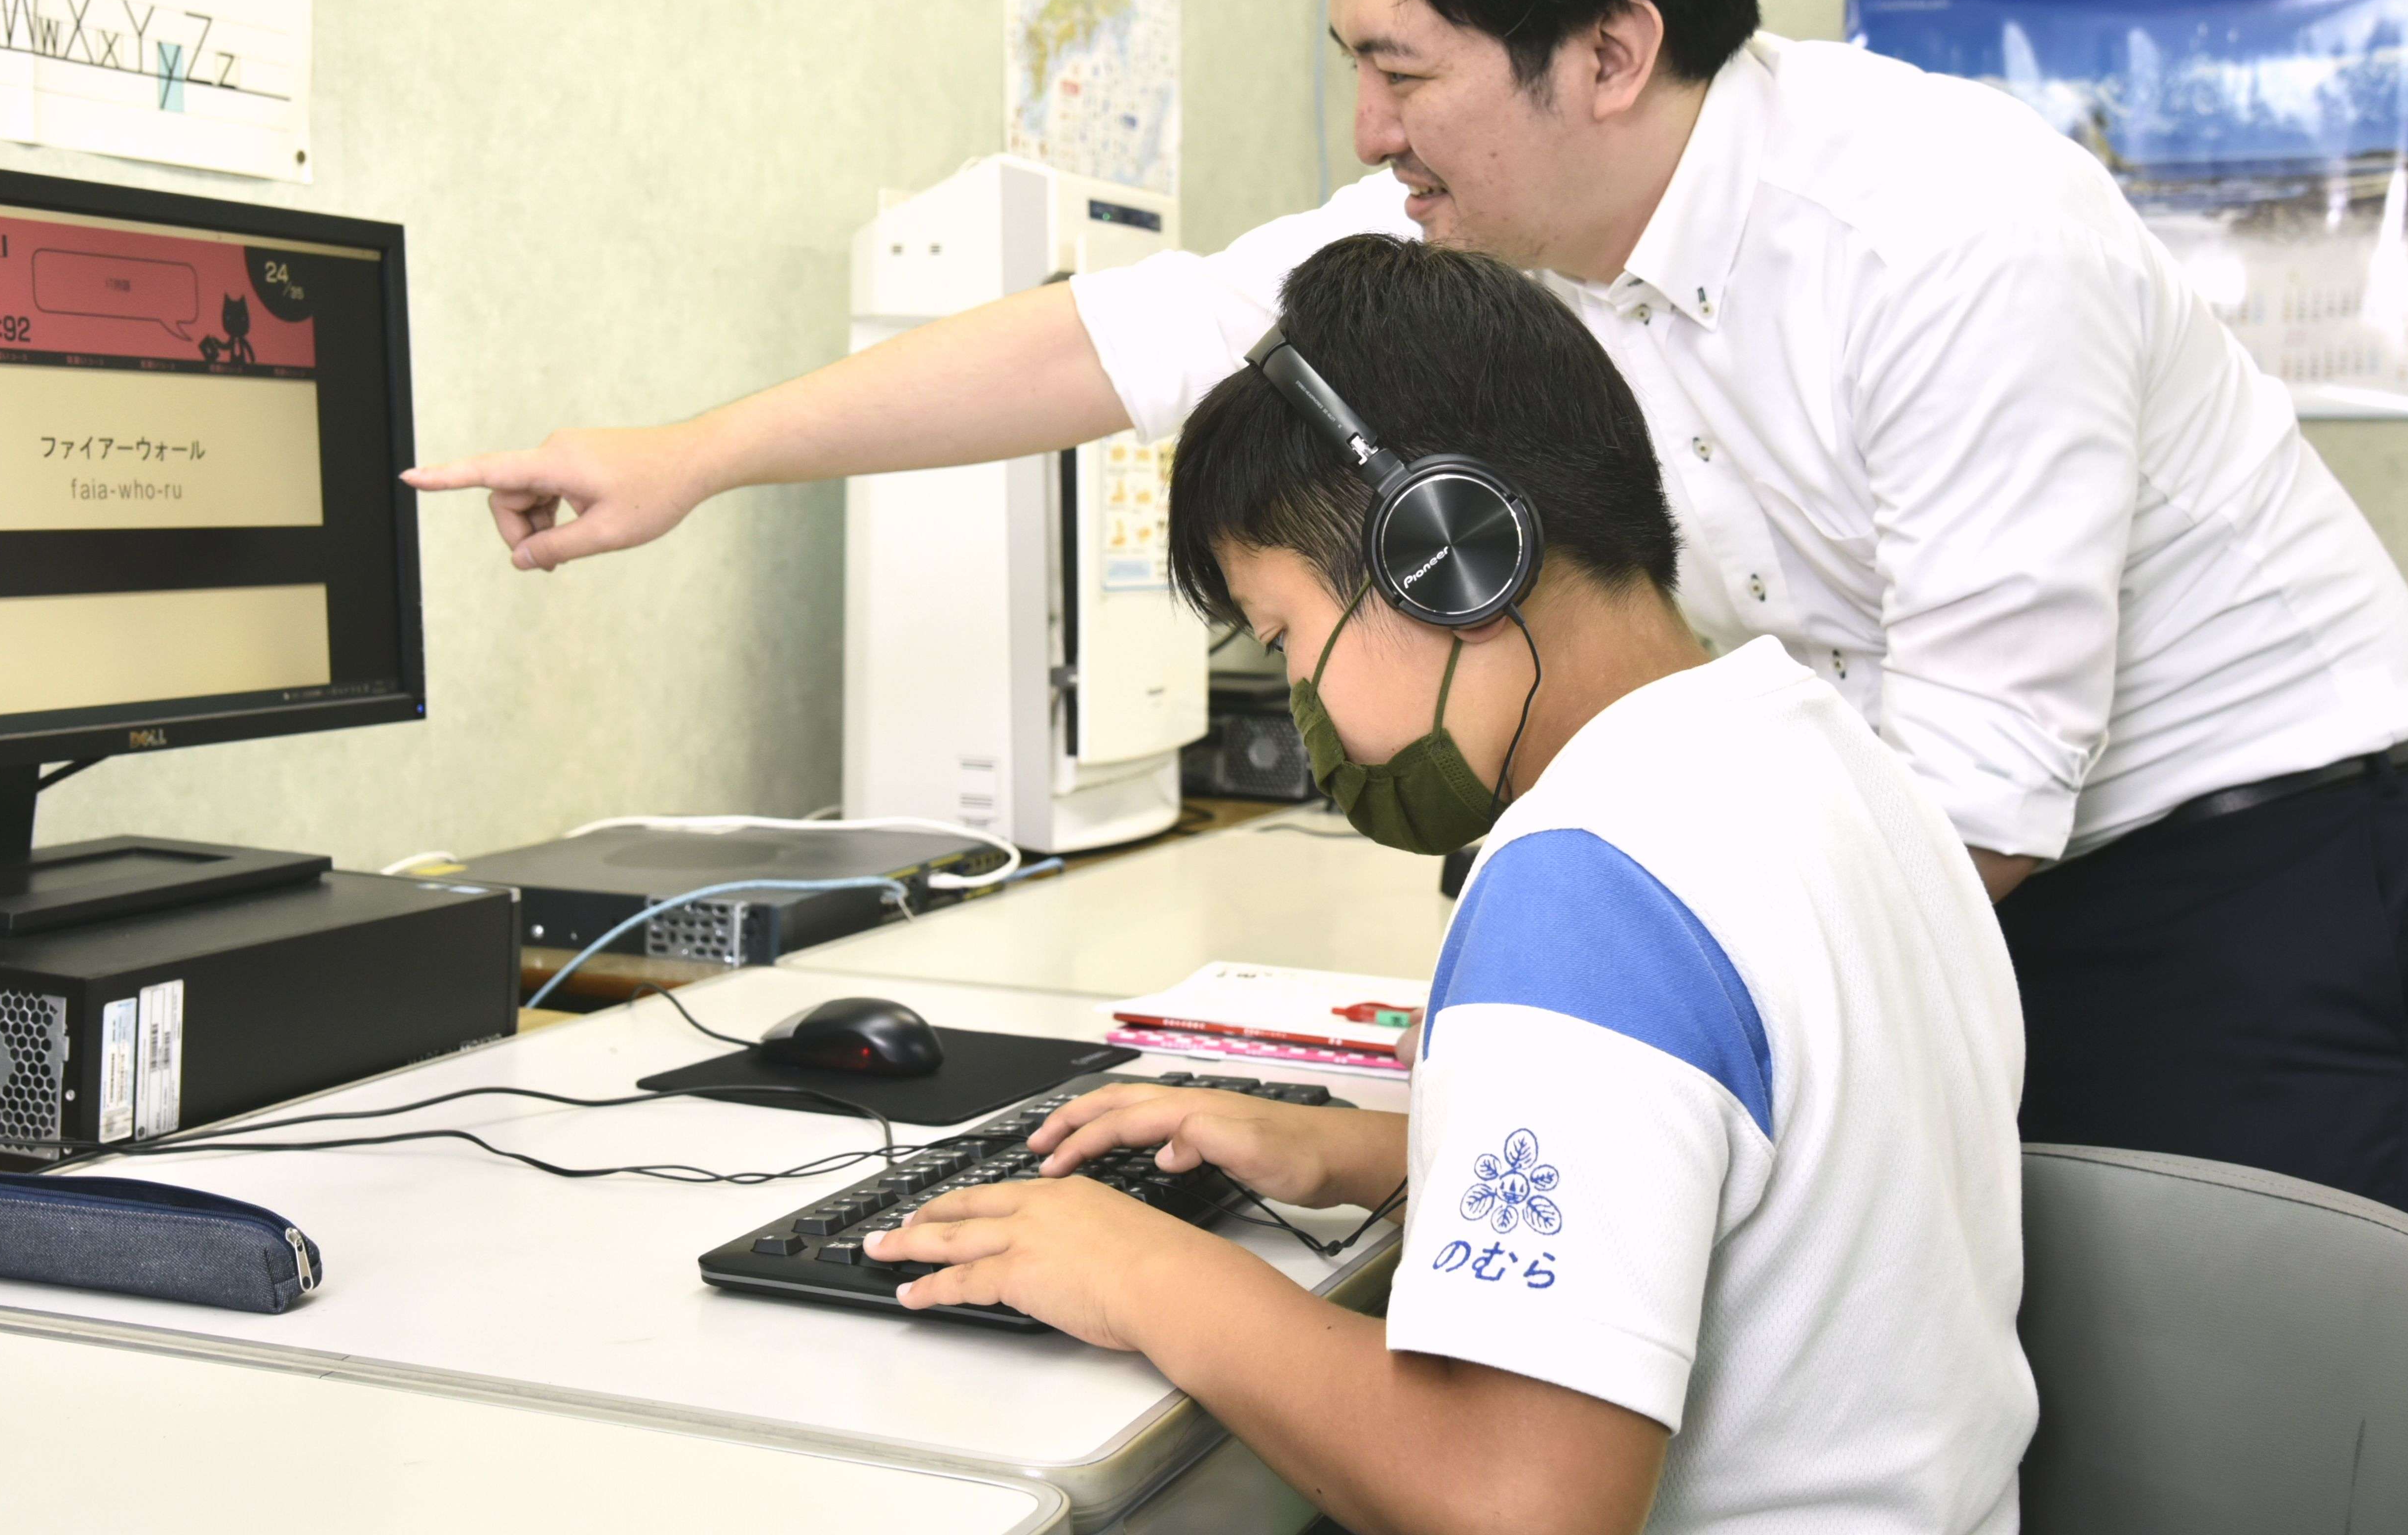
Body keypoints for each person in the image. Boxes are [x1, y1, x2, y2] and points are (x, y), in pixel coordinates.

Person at [409, 0, 2408, 1225]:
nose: (1365, 134)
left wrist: (1550, 1050)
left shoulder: (1954, 236)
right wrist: (694, 454)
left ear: (1610, 48)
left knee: (2208, 1408)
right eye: (1354, 68)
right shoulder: (1491, 218)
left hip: (2242, 856)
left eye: (1400, 73)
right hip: (1927, 867)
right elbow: (1120, 335)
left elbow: (1975, 805)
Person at [861, 235, 2033, 1533]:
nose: (1305, 701)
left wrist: (1150, 1274)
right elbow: (1792, 1199)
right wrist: (1389, 1155)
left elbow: (1516, 1504)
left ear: (1450, 553)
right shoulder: (1831, 762)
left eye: (1290, 635)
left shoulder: (1587, 886)